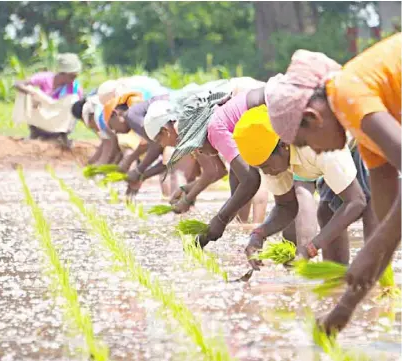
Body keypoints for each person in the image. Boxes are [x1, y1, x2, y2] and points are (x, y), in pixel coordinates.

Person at [264, 33, 401, 334]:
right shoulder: (363, 132)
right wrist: (345, 308)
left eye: (304, 143)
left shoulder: (346, 94)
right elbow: (388, 221)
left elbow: (379, 239)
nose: (313, 152)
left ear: (313, 117)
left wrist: (369, 249)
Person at [233, 107, 375, 267]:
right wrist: (258, 235)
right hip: (339, 149)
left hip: (365, 134)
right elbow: (286, 207)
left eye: (266, 166)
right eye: (260, 168)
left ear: (284, 146)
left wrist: (311, 248)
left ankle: (379, 278)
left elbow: (356, 201)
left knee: (373, 210)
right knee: (326, 211)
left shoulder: (317, 144)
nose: (266, 172)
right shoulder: (270, 158)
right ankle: (337, 279)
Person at [149, 78, 269, 247]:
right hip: (254, 100)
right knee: (240, 175)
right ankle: (247, 230)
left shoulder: (201, 127)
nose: (198, 153)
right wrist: (187, 191)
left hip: (255, 99)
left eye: (158, 139)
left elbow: (244, 177)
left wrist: (219, 219)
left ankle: (254, 228)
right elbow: (220, 171)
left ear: (165, 130)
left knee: (256, 170)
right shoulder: (196, 127)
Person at [14, 53, 83, 147]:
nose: (74, 79)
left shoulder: (75, 87)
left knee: (74, 101)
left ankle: (63, 136)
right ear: (62, 73)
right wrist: (33, 94)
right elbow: (18, 84)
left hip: (58, 125)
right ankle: (35, 132)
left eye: (75, 76)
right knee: (29, 89)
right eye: (72, 76)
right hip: (40, 118)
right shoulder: (45, 78)